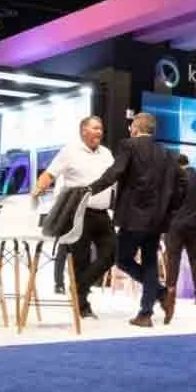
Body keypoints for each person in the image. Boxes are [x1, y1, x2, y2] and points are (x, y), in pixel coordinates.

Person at [87, 112, 185, 328]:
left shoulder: (128, 146)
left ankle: (160, 294)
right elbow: (182, 183)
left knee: (122, 259)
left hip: (133, 217)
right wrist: (169, 208)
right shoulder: (167, 153)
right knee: (149, 262)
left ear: (135, 128)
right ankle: (146, 312)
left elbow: (115, 172)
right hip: (157, 219)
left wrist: (90, 189)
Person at [32, 116, 116, 319]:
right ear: (83, 130)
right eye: (95, 128)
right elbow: (50, 174)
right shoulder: (70, 151)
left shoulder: (106, 153)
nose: (99, 132)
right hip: (78, 212)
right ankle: (82, 304)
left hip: (102, 212)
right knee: (81, 259)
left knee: (112, 253)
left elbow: (115, 178)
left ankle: (79, 287)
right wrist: (38, 187)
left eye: (101, 128)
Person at [163, 154, 196, 314]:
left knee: (173, 260)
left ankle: (170, 294)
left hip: (174, 225)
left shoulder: (173, 179)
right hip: (194, 224)